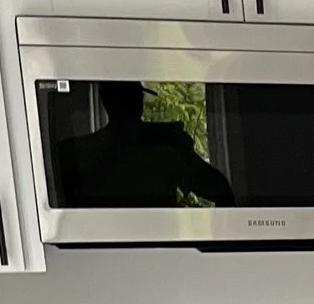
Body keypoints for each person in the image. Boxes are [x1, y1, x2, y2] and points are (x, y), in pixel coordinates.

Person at [51, 81, 236, 208]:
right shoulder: (165, 149)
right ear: (139, 100)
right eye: (135, 94)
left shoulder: (70, 152)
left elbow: (219, 189)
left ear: (103, 98)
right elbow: (220, 190)